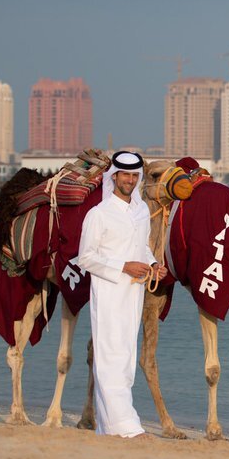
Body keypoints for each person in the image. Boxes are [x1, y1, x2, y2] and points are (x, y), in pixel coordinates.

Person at [75, 150, 166, 437]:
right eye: (124, 174)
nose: (129, 179)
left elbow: (143, 247)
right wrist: (123, 266)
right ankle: (126, 425)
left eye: (134, 175)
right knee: (109, 355)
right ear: (114, 176)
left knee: (126, 358)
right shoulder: (98, 214)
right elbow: (85, 258)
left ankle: (109, 427)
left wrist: (152, 265)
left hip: (134, 292)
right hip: (109, 291)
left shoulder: (141, 212)